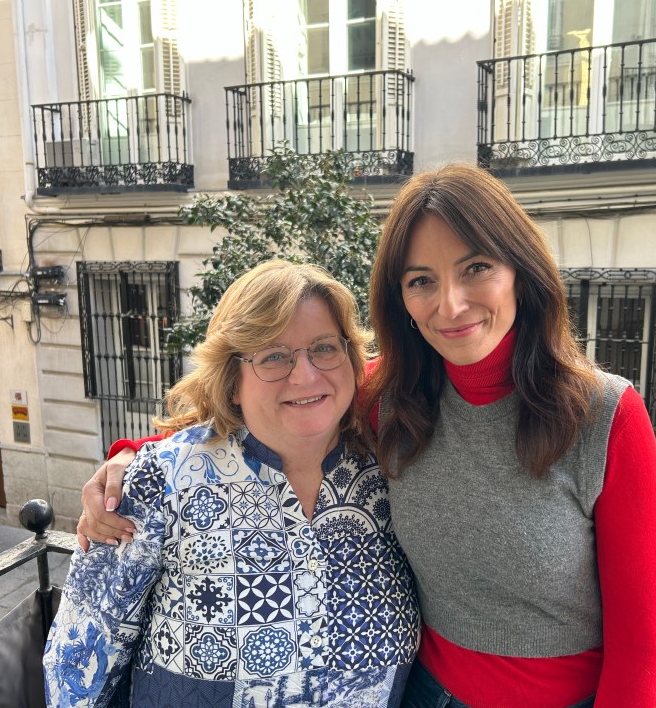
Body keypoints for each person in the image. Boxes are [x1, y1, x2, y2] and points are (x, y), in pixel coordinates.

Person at [80, 164, 656, 707]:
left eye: (477, 268)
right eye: (421, 281)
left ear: (522, 271)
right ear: (401, 300)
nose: (451, 303)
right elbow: (263, 402)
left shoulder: (603, 414)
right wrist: (132, 460)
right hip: (421, 694)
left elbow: (640, 651)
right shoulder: (392, 396)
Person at [45, 260, 420, 707]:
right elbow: (79, 663)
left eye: (324, 348)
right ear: (232, 381)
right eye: (273, 356)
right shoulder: (163, 479)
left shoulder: (392, 468)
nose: (305, 375)